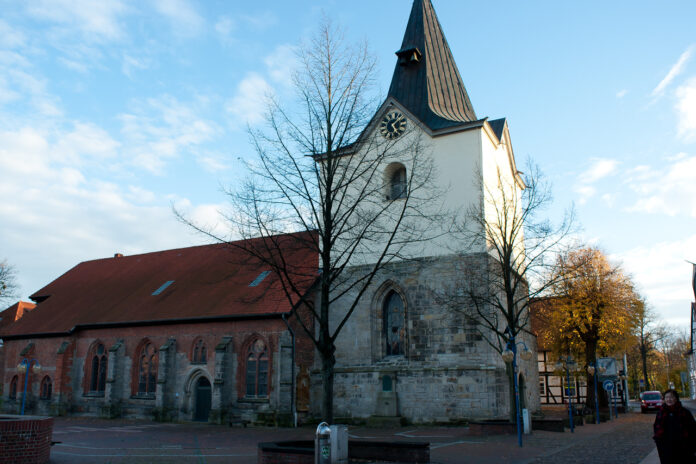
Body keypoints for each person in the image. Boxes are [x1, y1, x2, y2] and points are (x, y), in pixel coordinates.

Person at [653, 389, 696, 463]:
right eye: (666, 397)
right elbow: (656, 429)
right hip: (666, 449)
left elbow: (693, 430)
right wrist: (659, 443)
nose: (669, 399)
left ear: (676, 398)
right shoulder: (661, 413)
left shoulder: (684, 412)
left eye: (671, 397)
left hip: (684, 449)